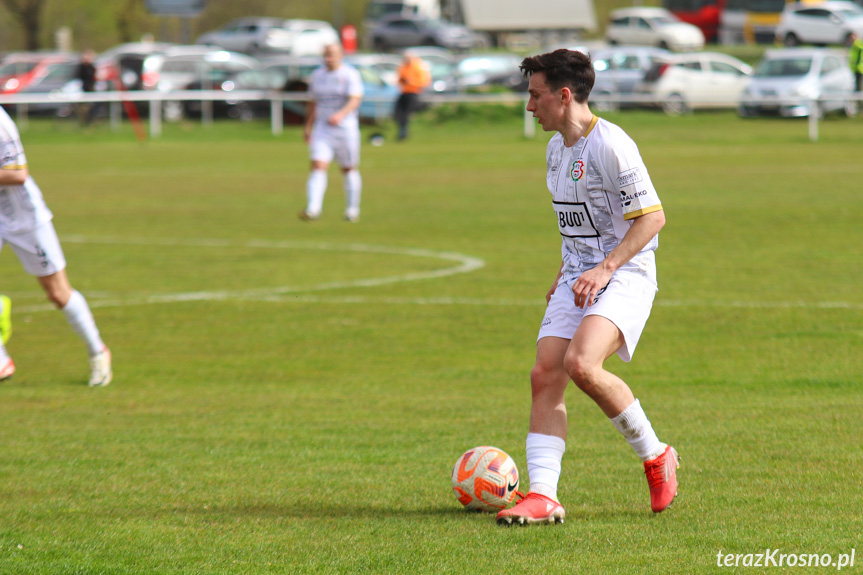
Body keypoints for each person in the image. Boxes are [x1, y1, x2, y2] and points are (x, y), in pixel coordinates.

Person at [496, 49, 677, 526]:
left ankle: (657, 455)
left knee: (581, 364)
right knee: (545, 374)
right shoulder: (556, 149)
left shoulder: (612, 145)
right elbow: (579, 224)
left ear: (564, 94)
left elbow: (652, 218)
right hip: (577, 277)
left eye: (535, 96)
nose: (530, 106)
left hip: (626, 273)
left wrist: (606, 268)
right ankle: (543, 496)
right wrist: (565, 271)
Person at [0, 105, 112, 386]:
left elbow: (17, 174)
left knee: (58, 294)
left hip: (24, 218)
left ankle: (98, 351)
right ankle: (2, 361)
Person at [299, 43, 364, 223]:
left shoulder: (350, 74)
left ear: (340, 55)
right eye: (326, 55)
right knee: (318, 165)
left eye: (332, 55)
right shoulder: (317, 75)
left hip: (346, 129)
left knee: (348, 168)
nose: (328, 59)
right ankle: (313, 208)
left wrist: (340, 115)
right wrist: (308, 127)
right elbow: (312, 102)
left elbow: (355, 99)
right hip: (323, 129)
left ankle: (352, 209)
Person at [394, 52, 431, 141]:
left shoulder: (417, 67)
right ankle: (402, 131)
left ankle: (404, 133)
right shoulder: (403, 67)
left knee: (408, 112)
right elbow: (399, 79)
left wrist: (411, 82)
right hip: (404, 92)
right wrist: (403, 81)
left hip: (414, 92)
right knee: (398, 113)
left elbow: (423, 81)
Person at [76, 50, 98, 125]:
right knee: (83, 107)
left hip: (91, 89)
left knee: (93, 106)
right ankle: (84, 120)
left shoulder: (92, 67)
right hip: (83, 90)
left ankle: (90, 120)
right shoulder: (81, 67)